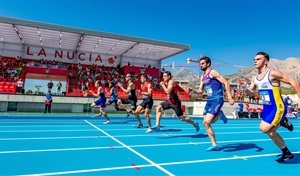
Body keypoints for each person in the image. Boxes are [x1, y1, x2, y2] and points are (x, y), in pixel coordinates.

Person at [239, 51, 300, 163]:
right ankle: (286, 152)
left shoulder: (272, 73)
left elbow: (292, 81)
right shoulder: (255, 78)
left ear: (266, 61)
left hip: (278, 107)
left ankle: (283, 121)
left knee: (264, 128)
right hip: (267, 108)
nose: (255, 61)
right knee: (270, 132)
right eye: (254, 59)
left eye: (258, 59)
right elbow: (251, 94)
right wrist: (244, 87)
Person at [191, 56, 234, 151]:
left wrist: (230, 97)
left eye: (202, 63)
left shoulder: (213, 72)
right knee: (205, 123)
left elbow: (226, 82)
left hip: (217, 99)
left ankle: (219, 114)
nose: (200, 65)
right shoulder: (202, 77)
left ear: (208, 64)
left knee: (207, 121)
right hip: (209, 101)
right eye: (200, 64)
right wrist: (193, 90)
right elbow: (201, 91)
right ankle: (215, 145)